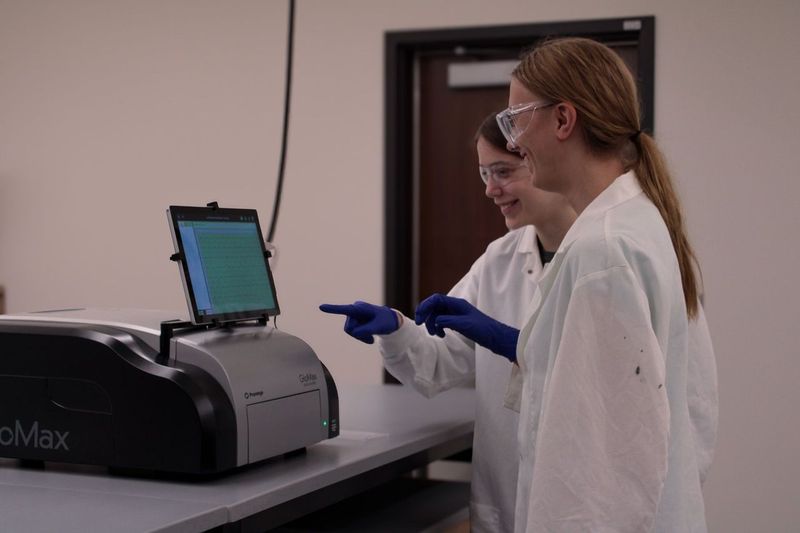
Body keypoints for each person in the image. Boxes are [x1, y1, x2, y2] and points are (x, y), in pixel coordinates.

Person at [421, 37, 718, 532]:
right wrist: (532, 348)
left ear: (562, 120)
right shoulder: (631, 223)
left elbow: (590, 473)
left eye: (518, 119)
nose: (514, 141)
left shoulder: (602, 250)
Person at [320, 111, 577, 533]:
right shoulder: (499, 261)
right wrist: (397, 329)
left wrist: (511, 341)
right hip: (508, 500)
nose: (491, 189)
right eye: (483, 174)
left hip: (582, 502)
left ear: (542, 160)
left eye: (503, 171)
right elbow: (439, 365)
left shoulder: (605, 254)